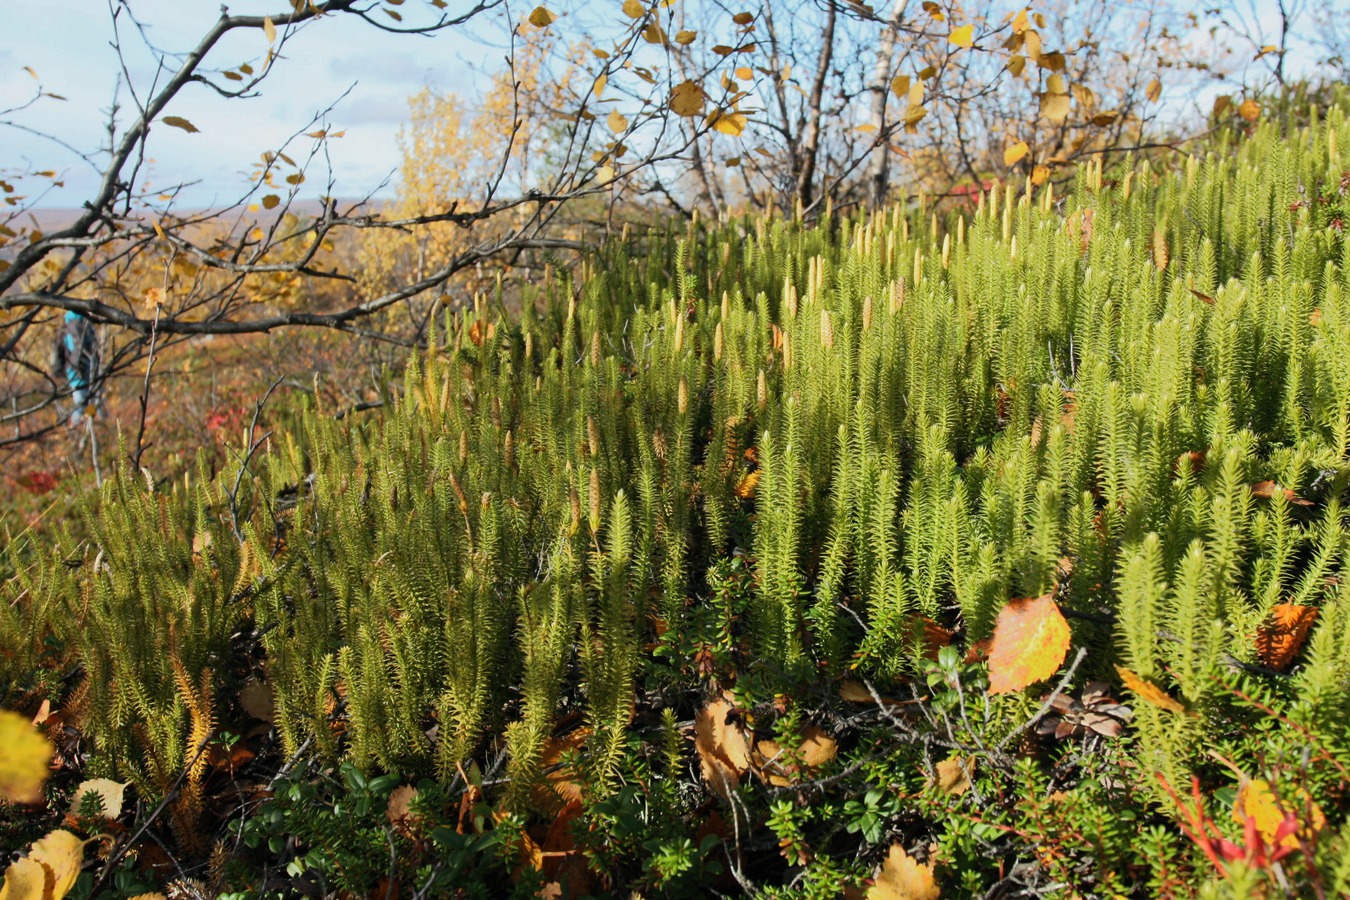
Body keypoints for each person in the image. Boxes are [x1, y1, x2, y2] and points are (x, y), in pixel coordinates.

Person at [51, 311, 100, 426]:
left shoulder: (67, 327)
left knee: (81, 401)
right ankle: (81, 428)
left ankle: (79, 429)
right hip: (84, 369)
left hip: (75, 370)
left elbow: (59, 350)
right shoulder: (82, 325)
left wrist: (58, 370)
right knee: (86, 401)